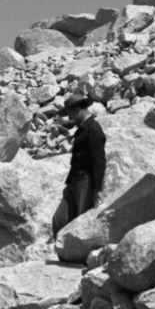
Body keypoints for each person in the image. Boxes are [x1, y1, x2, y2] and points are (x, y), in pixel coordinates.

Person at [51, 96, 108, 237]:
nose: (70, 118)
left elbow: (99, 160)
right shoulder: (83, 129)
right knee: (59, 219)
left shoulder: (93, 129)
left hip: (85, 182)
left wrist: (97, 189)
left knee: (79, 222)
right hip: (75, 181)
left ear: (77, 110)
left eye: (70, 114)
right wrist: (69, 183)